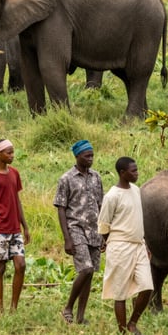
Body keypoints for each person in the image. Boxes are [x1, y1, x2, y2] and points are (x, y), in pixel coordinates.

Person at [97, 157, 153, 335]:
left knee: (147, 286)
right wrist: (112, 243)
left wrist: (144, 244)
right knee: (120, 293)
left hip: (139, 245)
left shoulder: (136, 190)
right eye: (133, 171)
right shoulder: (112, 196)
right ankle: (122, 333)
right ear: (122, 173)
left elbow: (137, 220)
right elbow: (103, 225)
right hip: (120, 247)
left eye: (137, 170)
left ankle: (132, 323)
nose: (137, 173)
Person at [54, 139, 104, 325]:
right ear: (77, 156)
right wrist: (67, 238)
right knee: (86, 269)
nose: (90, 159)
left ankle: (81, 316)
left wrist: (104, 233)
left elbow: (101, 205)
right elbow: (61, 208)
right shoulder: (66, 179)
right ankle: (68, 307)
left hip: (94, 230)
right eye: (87, 156)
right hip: (76, 228)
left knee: (90, 274)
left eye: (92, 155)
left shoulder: (96, 177)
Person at [0, 139, 30, 315]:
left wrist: (25, 226)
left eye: (12, 152)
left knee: (20, 265)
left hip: (15, 228)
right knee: (0, 268)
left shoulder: (14, 173)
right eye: (8, 153)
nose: (12, 155)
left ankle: (13, 308)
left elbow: (17, 200)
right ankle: (0, 310)